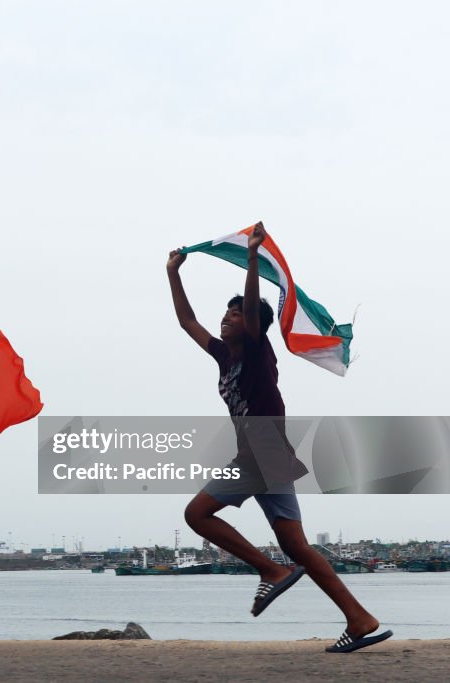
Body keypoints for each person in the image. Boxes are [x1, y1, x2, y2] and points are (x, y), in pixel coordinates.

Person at [166, 222, 391, 653]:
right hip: (272, 459)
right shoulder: (222, 356)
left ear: (252, 325)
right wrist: (174, 273)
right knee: (298, 546)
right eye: (227, 312)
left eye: (234, 313)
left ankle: (270, 571)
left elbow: (252, 313)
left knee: (196, 515)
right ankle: (360, 619)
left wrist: (252, 258)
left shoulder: (255, 347)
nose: (227, 317)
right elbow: (186, 320)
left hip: (261, 456)